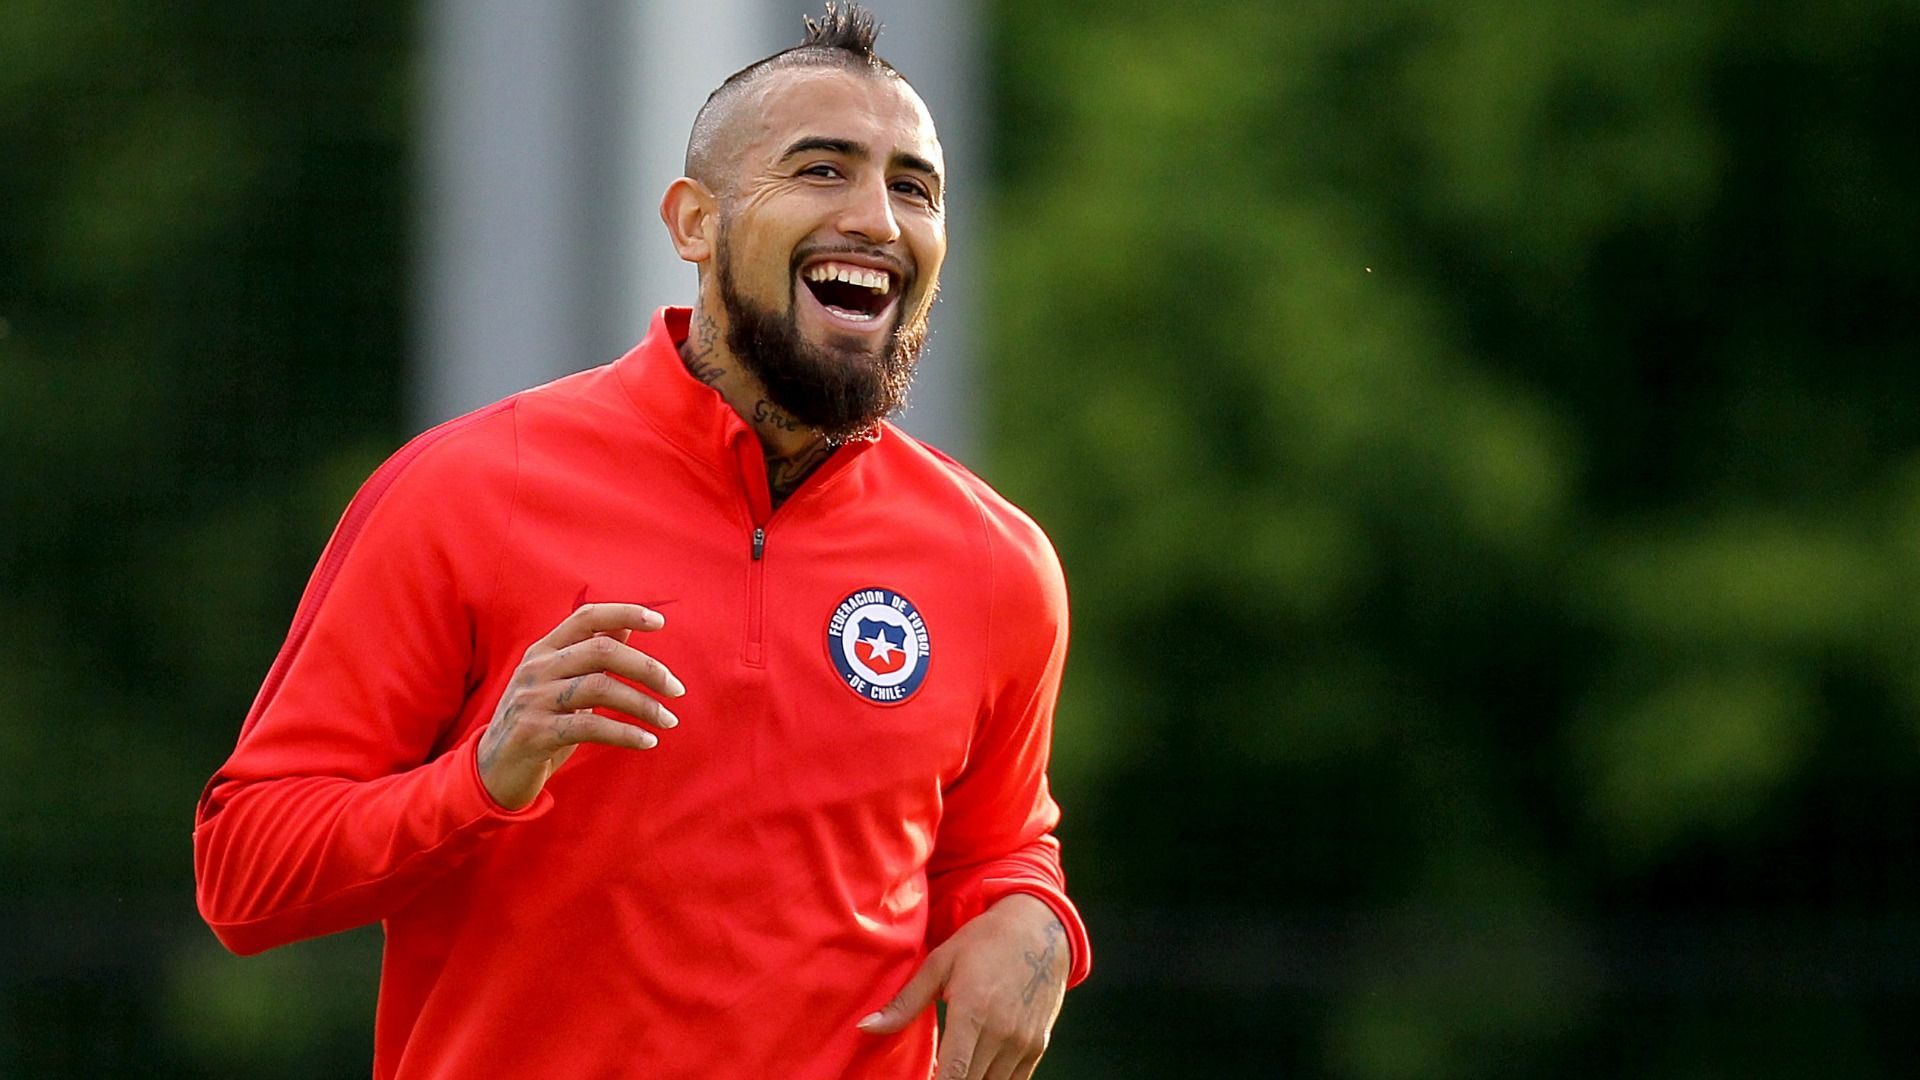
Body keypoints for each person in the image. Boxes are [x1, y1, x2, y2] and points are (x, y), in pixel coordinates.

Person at [191, 5, 1089, 1079]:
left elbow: (998, 848)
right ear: (694, 222)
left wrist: (1030, 917)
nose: (879, 221)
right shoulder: (471, 490)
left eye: (914, 187)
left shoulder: (997, 562)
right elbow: (243, 876)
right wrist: (478, 780)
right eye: (821, 170)